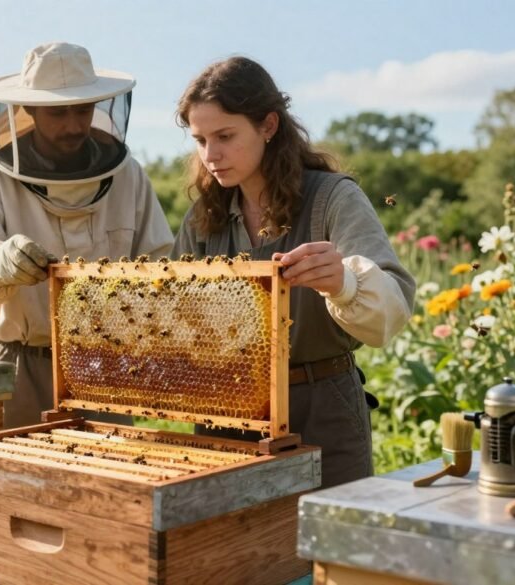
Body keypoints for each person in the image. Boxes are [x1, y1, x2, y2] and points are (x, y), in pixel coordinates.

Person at [173, 56, 415, 489]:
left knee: (326, 551)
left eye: (225, 136)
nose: (211, 155)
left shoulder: (332, 198)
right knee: (231, 552)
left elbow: (391, 309)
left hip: (321, 407)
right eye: (200, 140)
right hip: (226, 410)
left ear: (268, 125)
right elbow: (174, 320)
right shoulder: (201, 218)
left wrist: (344, 282)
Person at [0, 42, 173, 428]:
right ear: (29, 109)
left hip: (105, 368)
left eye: (82, 110)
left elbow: (162, 264)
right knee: (12, 484)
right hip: (21, 365)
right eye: (58, 113)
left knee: (109, 484)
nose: (74, 125)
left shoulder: (128, 176)